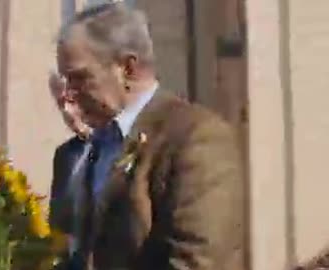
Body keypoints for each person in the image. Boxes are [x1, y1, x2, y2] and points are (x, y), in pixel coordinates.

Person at [53, 2, 245, 270]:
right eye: (65, 80)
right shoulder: (72, 156)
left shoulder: (196, 138)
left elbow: (197, 262)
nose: (69, 93)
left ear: (127, 69)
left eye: (80, 78)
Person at [49, 71, 93, 255]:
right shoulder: (64, 154)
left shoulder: (121, 145)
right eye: (61, 103)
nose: (66, 111)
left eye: (72, 101)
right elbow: (57, 222)